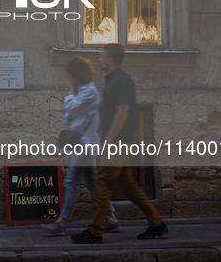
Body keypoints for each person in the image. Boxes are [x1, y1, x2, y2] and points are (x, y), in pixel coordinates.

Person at [71, 44, 168, 244]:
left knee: (101, 185)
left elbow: (122, 112)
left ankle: (95, 230)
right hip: (117, 142)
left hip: (116, 142)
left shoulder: (121, 81)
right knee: (129, 186)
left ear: (111, 59)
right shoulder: (113, 80)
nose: (99, 59)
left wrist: (108, 139)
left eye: (102, 56)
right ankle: (157, 223)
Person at [41, 57, 120, 236]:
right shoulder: (82, 92)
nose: (69, 78)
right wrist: (72, 107)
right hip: (82, 143)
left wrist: (69, 96)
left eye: (70, 75)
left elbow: (73, 111)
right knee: (92, 182)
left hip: (85, 144)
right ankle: (111, 219)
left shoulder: (90, 91)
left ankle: (61, 222)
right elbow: (68, 117)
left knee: (71, 182)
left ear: (77, 74)